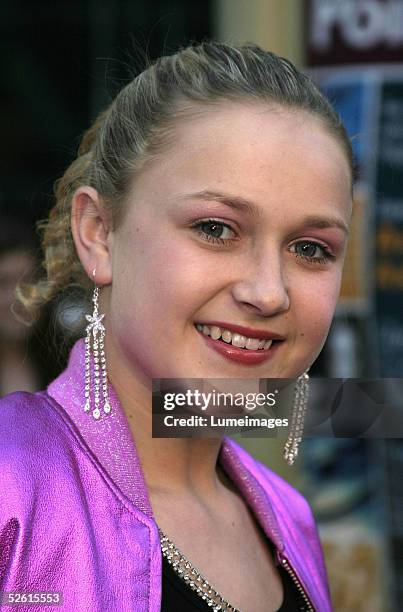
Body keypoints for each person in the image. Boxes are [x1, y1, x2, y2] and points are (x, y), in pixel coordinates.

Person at [0, 41, 353, 611]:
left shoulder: (291, 519)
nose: (268, 292)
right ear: (98, 233)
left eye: (311, 248)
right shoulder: (11, 492)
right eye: (216, 229)